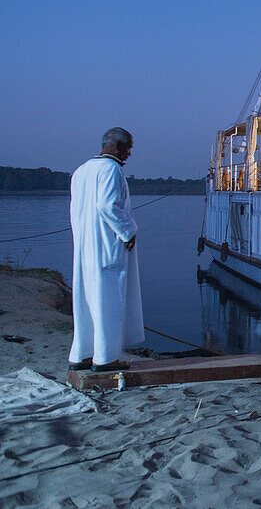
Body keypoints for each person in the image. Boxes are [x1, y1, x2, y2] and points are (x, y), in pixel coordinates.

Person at [68, 127, 144, 372]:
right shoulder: (111, 170)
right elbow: (107, 206)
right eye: (128, 147)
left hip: (85, 248)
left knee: (85, 301)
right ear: (117, 146)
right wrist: (127, 231)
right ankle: (105, 358)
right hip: (106, 247)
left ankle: (81, 354)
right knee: (109, 302)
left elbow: (75, 212)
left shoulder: (81, 171)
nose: (129, 153)